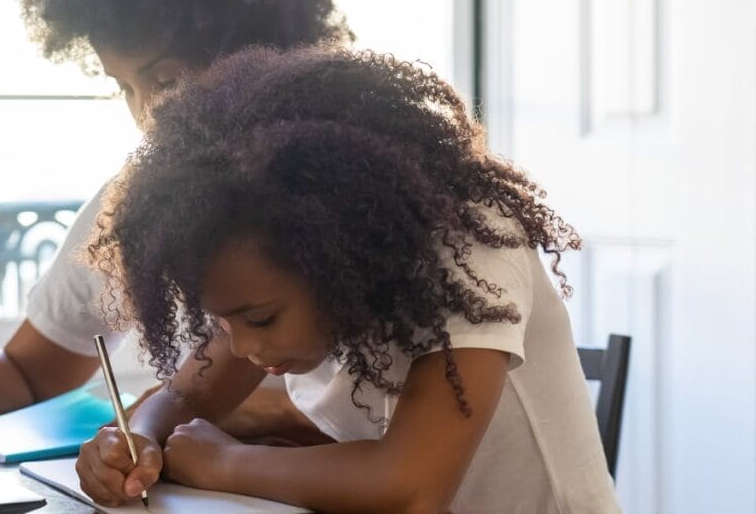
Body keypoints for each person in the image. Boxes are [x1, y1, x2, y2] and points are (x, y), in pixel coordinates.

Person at [77, 46, 620, 512]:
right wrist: (133, 438)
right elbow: (180, 402)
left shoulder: (468, 249)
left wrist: (226, 462)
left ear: (335, 254)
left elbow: (411, 487)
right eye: (219, 318)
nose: (239, 345)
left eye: (259, 318)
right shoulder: (262, 275)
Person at [0, 0, 352, 432]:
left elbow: (403, 439)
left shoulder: (374, 197)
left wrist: (252, 419)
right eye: (124, 87)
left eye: (165, 80)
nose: (147, 115)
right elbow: (29, 381)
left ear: (258, 47)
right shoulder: (134, 207)